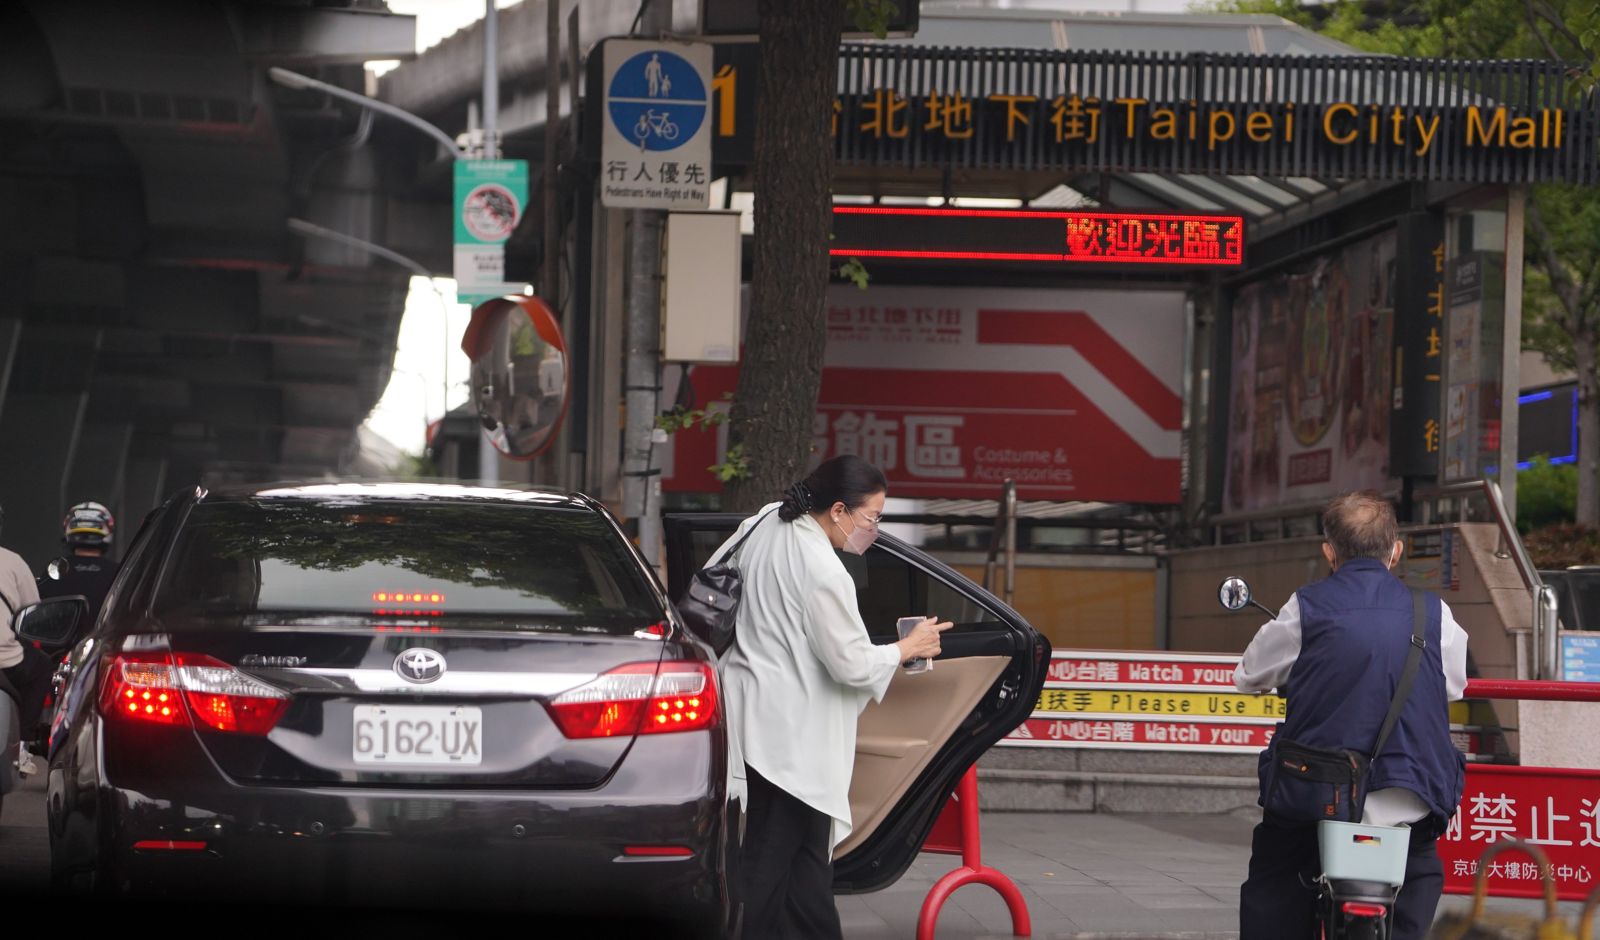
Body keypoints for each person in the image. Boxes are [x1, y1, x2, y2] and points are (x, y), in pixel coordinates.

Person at [712, 455, 950, 939]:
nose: (874, 530)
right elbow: (850, 663)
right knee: (767, 867)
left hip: (751, 718)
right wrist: (908, 647)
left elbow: (714, 573)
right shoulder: (823, 569)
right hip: (791, 743)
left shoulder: (764, 522)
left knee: (805, 871)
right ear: (839, 510)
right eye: (872, 518)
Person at [1235, 490, 1468, 940]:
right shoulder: (1435, 614)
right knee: (1418, 870)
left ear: (1329, 552)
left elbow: (1249, 675)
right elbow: (1453, 686)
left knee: (1277, 875)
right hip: (1410, 793)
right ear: (1395, 550)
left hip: (1317, 794)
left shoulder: (1305, 606)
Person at [0, 505, 48, 773]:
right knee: (41, 667)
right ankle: (23, 746)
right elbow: (35, 614)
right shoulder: (13, 561)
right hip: (7, 659)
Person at [39, 500, 119, 622]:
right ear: (108, 529)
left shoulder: (55, 570)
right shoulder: (119, 573)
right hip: (107, 640)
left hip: (59, 640)